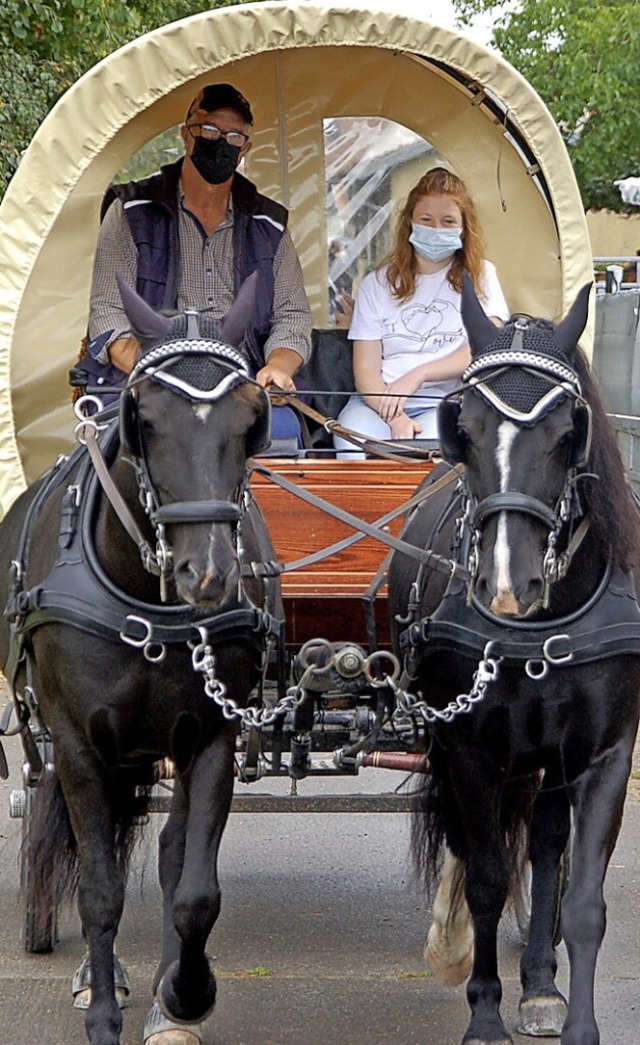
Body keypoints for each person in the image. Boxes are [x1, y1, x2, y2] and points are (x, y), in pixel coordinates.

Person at [84, 83, 313, 442]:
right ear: (186, 135)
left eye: (234, 136)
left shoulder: (269, 224)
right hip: (152, 378)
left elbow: (293, 315)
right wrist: (157, 372)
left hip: (238, 381)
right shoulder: (130, 211)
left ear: (245, 149)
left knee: (283, 436)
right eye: (209, 130)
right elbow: (107, 313)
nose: (220, 142)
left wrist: (278, 367)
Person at [333, 167, 509, 456]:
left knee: (429, 455)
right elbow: (365, 369)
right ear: (410, 224)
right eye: (427, 220)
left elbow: (486, 348)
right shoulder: (375, 285)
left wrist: (419, 374)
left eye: (448, 221)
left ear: (464, 229)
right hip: (376, 403)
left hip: (446, 401)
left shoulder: (481, 276)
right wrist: (395, 417)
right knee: (351, 447)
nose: (437, 229)